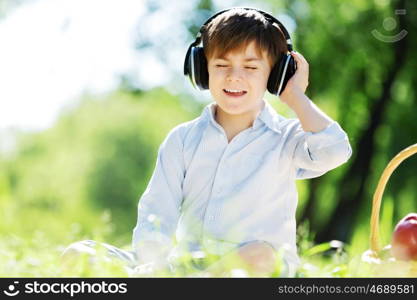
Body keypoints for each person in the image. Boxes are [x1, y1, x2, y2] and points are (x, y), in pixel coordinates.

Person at [60, 7, 352, 277]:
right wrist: (150, 264)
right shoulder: (183, 140)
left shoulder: (288, 140)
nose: (234, 77)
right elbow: (156, 211)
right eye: (222, 64)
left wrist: (295, 97)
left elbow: (336, 151)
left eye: (251, 68)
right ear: (202, 70)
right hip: (187, 267)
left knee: (262, 255)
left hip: (254, 269)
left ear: (275, 75)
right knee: (79, 253)